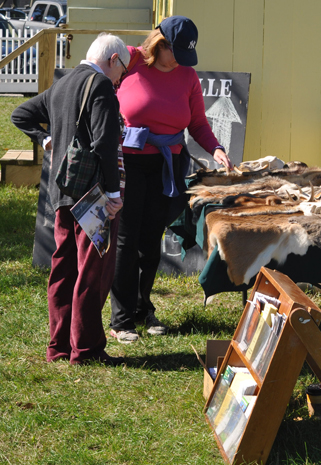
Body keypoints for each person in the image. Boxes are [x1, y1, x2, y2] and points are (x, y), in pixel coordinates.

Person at [109, 16, 233, 344]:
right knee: (126, 239)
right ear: (159, 43)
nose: (178, 59)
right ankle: (120, 319)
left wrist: (216, 148)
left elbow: (197, 123)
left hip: (166, 166)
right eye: (174, 51)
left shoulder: (188, 76)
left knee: (150, 239)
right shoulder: (131, 59)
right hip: (129, 165)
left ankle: (142, 307)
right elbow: (100, 82)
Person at [11, 33, 129, 365]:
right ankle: (86, 349)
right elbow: (105, 143)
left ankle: (58, 347)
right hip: (94, 196)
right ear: (113, 60)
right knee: (92, 272)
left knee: (63, 270)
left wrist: (46, 139)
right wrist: (115, 193)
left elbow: (21, 114)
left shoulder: (63, 84)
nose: (121, 79)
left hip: (62, 193)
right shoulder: (101, 86)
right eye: (123, 70)